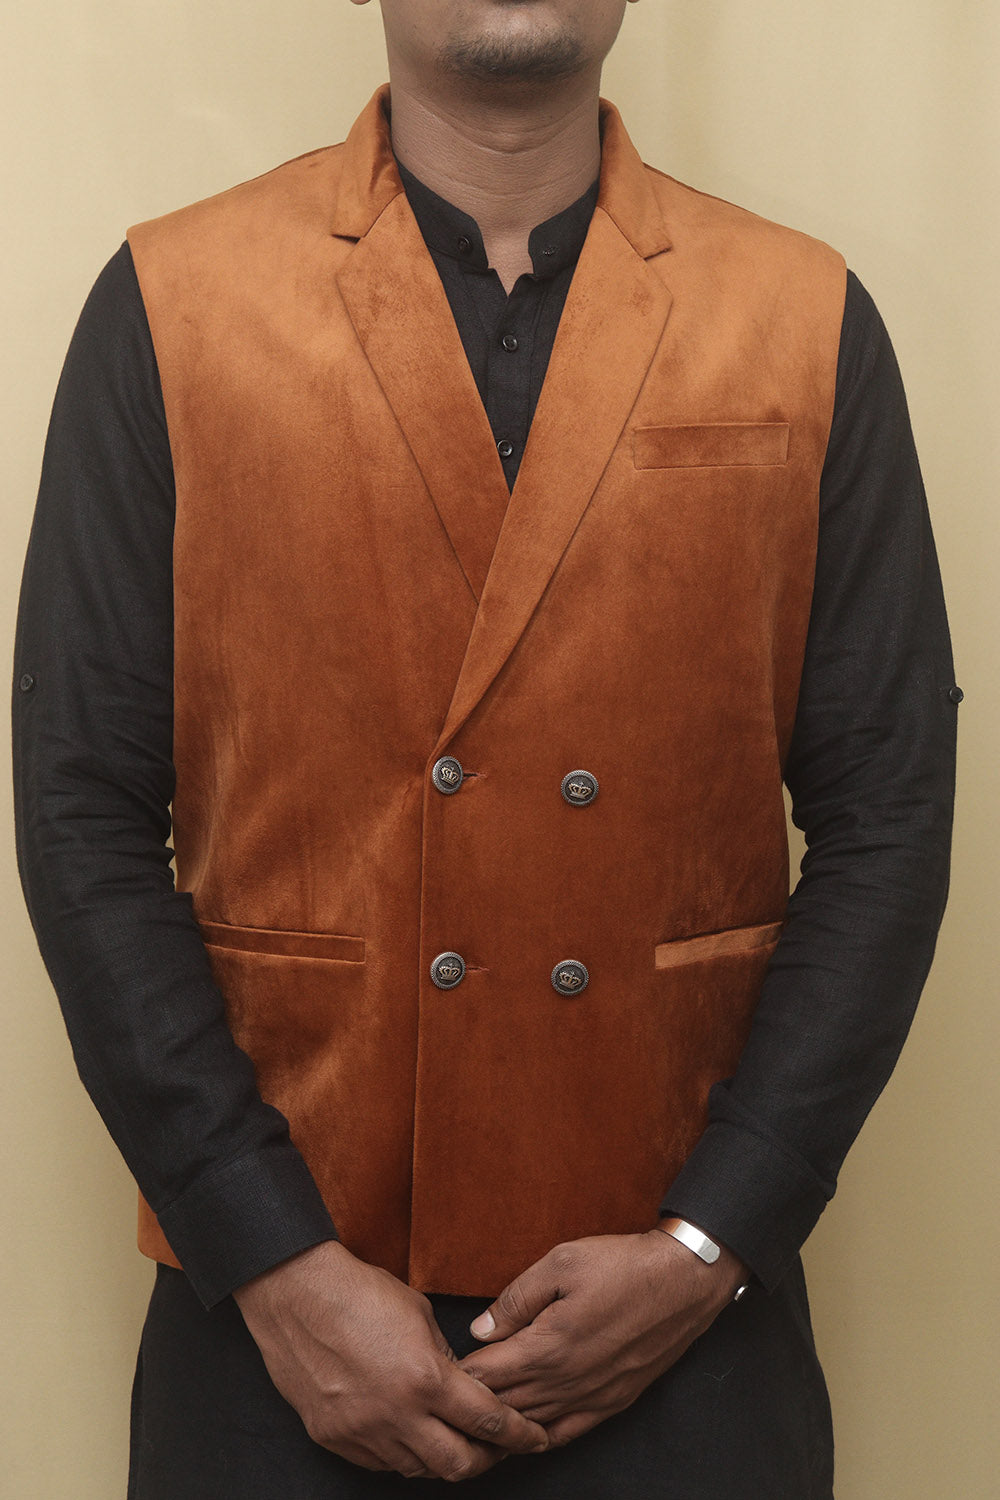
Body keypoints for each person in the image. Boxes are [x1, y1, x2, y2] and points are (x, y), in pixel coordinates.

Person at [12, 1, 959, 1495]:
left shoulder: (803, 311)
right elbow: (80, 801)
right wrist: (266, 1256)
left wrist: (714, 1235)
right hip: (277, 1319)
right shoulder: (171, 300)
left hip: (687, 1323)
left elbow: (891, 806)